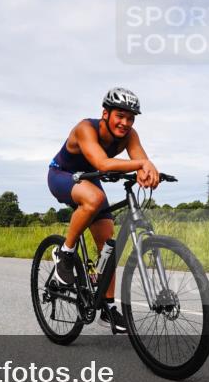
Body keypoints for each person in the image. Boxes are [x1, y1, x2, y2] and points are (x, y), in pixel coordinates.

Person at [46, 87, 160, 333]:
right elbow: (102, 163)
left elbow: (141, 161)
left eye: (130, 118)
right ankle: (65, 253)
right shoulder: (85, 128)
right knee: (95, 197)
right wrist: (143, 164)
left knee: (108, 245)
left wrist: (148, 173)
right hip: (62, 175)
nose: (125, 123)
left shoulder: (130, 135)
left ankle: (108, 308)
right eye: (120, 116)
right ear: (105, 114)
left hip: (90, 178)